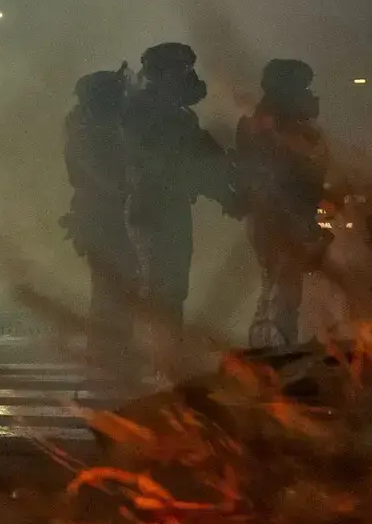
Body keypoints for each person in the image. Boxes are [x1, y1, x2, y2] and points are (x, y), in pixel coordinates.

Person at [123, 42, 239, 379]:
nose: (188, 78)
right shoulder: (144, 114)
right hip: (153, 209)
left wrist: (234, 179)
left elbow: (208, 159)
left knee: (173, 288)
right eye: (180, 72)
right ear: (162, 76)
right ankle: (154, 363)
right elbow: (178, 165)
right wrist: (224, 193)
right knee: (162, 288)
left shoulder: (175, 115)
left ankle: (164, 359)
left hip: (170, 209)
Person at [235, 59, 331, 349]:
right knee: (282, 288)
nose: (307, 94)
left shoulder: (271, 122)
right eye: (301, 87)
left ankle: (272, 346)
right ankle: (273, 350)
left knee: (280, 287)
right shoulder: (271, 125)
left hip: (277, 215)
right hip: (278, 216)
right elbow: (289, 172)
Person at [62, 65, 136, 391]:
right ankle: (107, 358)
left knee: (114, 288)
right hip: (102, 216)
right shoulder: (89, 132)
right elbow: (99, 177)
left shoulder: (92, 126)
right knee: (112, 288)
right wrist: (125, 191)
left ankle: (111, 356)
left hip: (104, 214)